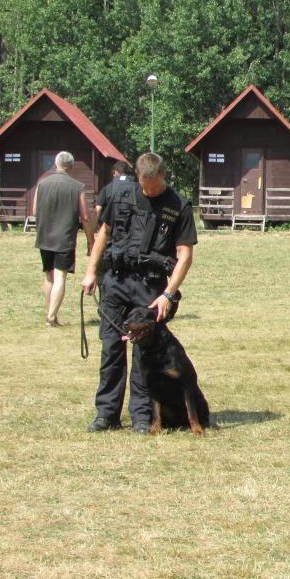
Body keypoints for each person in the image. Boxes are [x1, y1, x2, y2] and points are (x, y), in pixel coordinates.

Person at [81, 152, 197, 433]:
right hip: (116, 282)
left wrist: (169, 294)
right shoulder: (121, 196)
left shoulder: (177, 206)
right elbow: (104, 234)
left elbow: (185, 255)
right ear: (137, 177)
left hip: (151, 288)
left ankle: (143, 417)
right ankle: (106, 414)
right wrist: (91, 271)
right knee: (111, 348)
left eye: (153, 186)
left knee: (144, 355)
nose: (148, 192)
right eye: (144, 186)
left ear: (163, 176)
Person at [33, 151, 93, 327]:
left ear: (55, 164)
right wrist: (91, 240)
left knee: (49, 276)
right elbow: (85, 217)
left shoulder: (42, 184)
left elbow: (35, 211)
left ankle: (50, 314)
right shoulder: (77, 187)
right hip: (64, 238)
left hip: (44, 237)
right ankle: (51, 317)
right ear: (71, 166)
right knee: (60, 277)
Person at [95, 160, 135, 227]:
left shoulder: (107, 188)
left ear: (114, 172)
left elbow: (98, 209)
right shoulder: (136, 187)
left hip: (110, 228)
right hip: (131, 229)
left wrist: (92, 230)